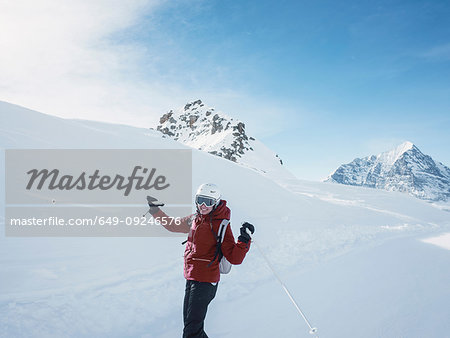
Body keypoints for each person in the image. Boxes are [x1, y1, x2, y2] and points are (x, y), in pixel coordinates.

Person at [147, 183, 254, 338]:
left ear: (216, 202)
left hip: (206, 281)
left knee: (191, 331)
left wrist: (244, 239)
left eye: (208, 202)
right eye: (200, 200)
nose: (203, 205)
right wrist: (155, 210)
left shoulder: (221, 224)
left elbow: (234, 258)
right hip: (191, 277)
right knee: (191, 328)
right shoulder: (195, 219)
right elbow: (172, 225)